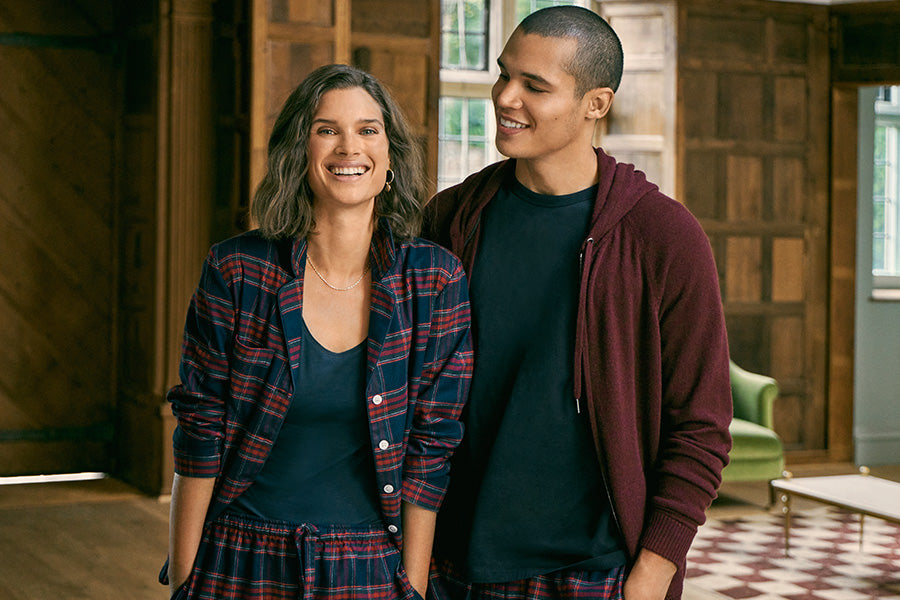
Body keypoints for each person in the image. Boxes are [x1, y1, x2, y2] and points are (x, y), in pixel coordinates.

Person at [424, 6, 731, 600]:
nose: (506, 98)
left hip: (597, 569)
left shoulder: (664, 236)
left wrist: (651, 573)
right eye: (503, 75)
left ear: (597, 103)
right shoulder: (453, 219)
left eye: (534, 86)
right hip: (455, 560)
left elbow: (701, 426)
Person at [160, 63, 473, 600]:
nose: (349, 147)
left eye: (367, 130)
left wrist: (413, 589)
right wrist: (186, 580)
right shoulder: (237, 270)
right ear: (298, 153)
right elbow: (201, 430)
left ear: (390, 155)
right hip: (240, 555)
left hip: (371, 562)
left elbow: (431, 446)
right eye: (326, 129)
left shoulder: (435, 279)